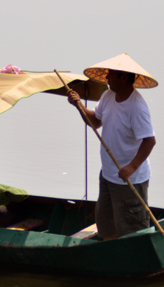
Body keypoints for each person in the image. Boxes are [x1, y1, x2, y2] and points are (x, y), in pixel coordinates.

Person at [67, 54, 157, 240]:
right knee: (105, 224)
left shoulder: (137, 107)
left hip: (129, 179)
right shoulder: (108, 96)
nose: (107, 78)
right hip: (108, 175)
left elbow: (149, 141)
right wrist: (79, 105)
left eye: (111, 75)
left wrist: (132, 167)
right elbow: (95, 121)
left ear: (123, 77)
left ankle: (134, 261)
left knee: (132, 231)